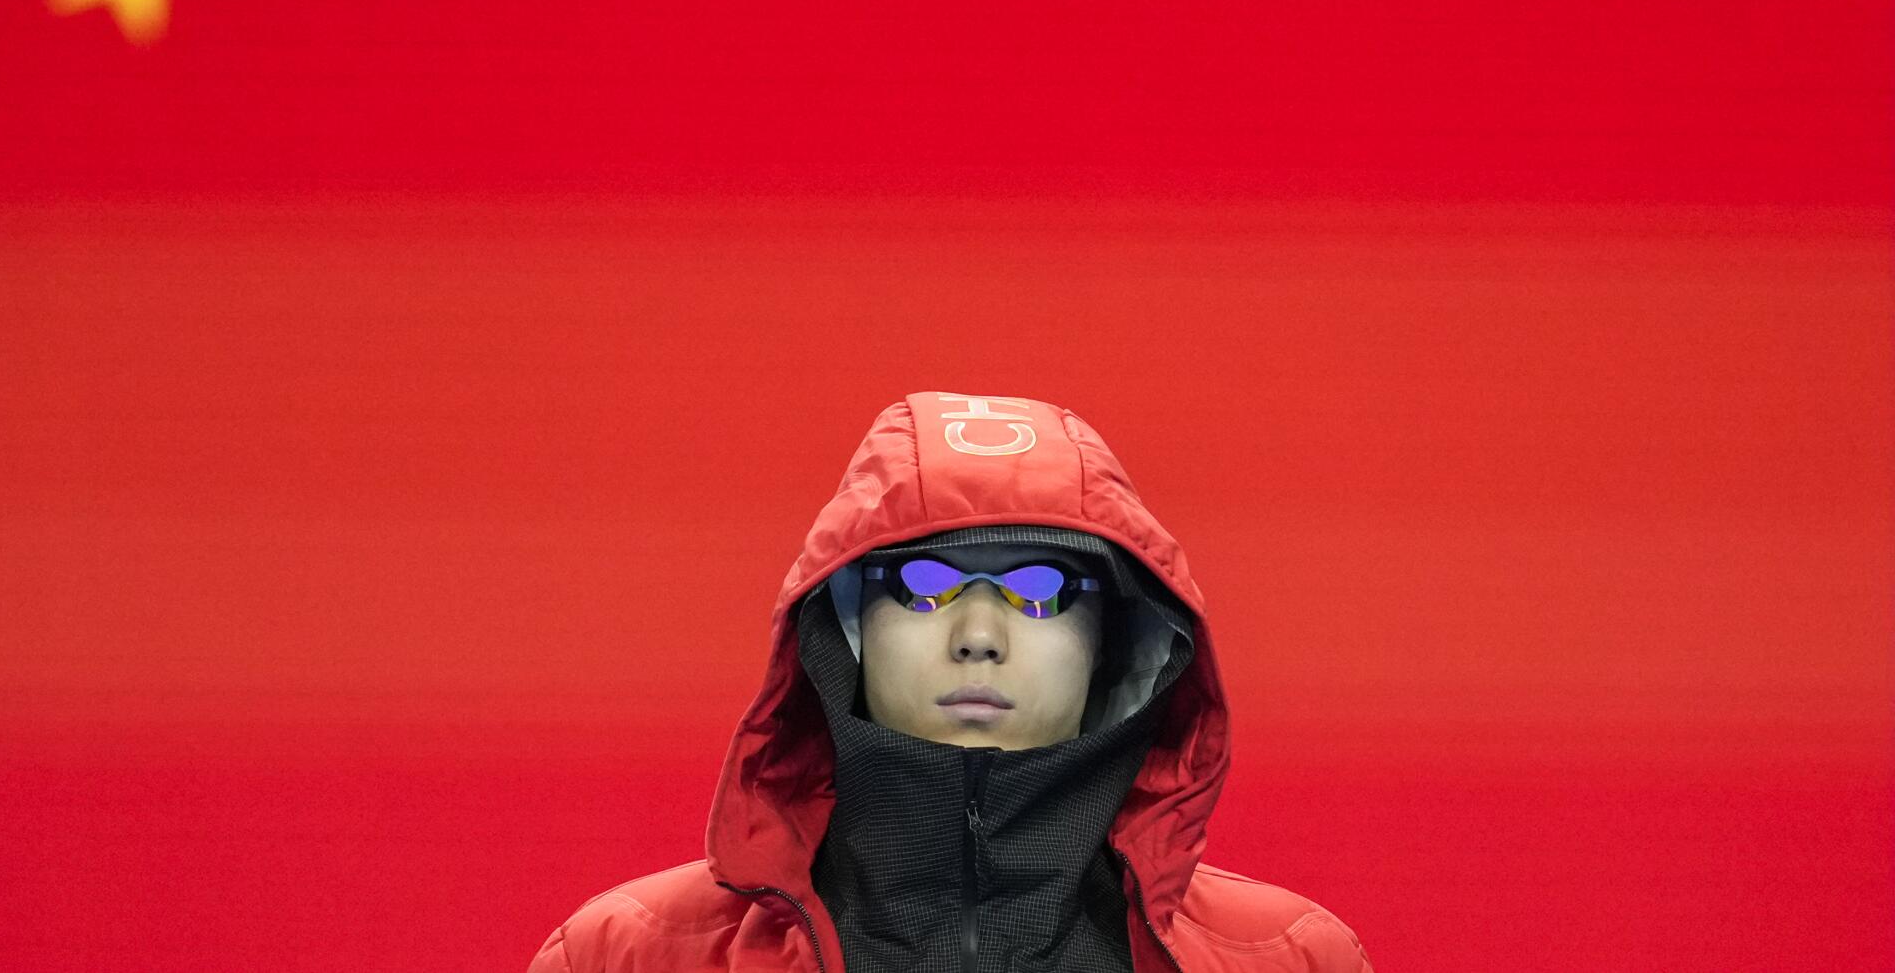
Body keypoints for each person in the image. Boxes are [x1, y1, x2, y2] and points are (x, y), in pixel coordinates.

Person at [528, 391, 1373, 972]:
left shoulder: (1288, 957)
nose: (977, 636)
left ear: (1119, 641)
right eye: (923, 584)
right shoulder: (629, 955)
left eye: (1041, 590)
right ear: (847, 624)